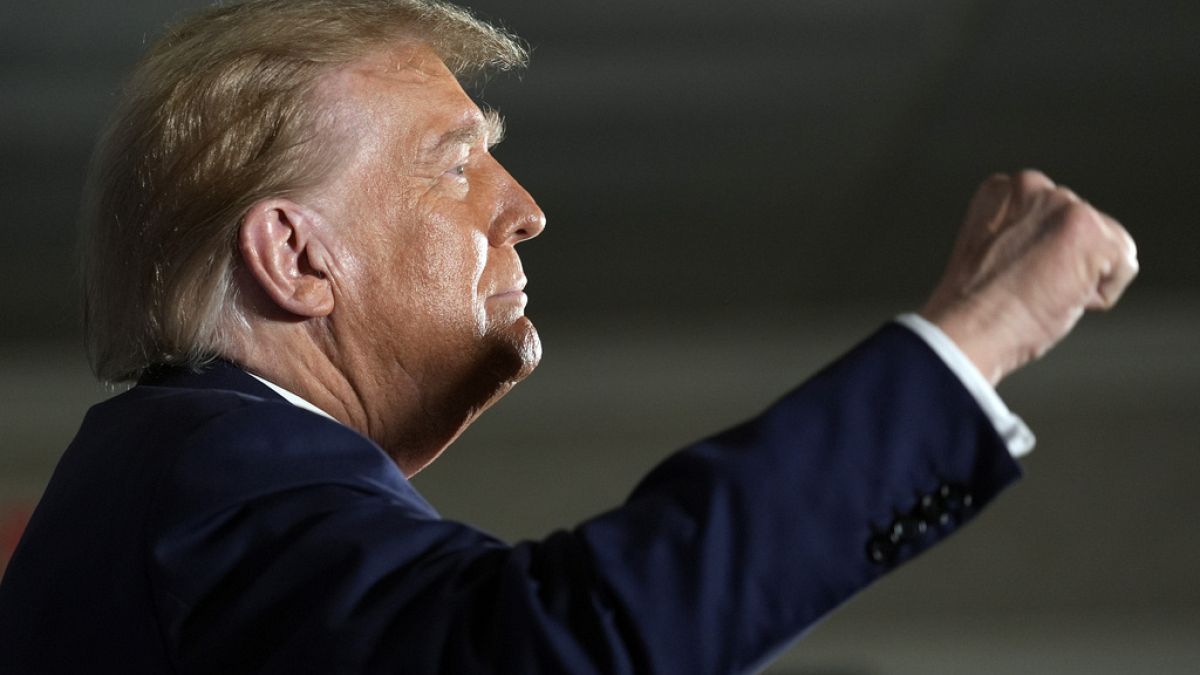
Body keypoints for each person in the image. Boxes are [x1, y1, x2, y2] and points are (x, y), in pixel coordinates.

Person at [0, 1, 1137, 673]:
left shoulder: (191, 480)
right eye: (455, 164)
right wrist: (980, 331)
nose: (524, 207)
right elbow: (548, 651)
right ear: (297, 260)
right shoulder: (205, 477)